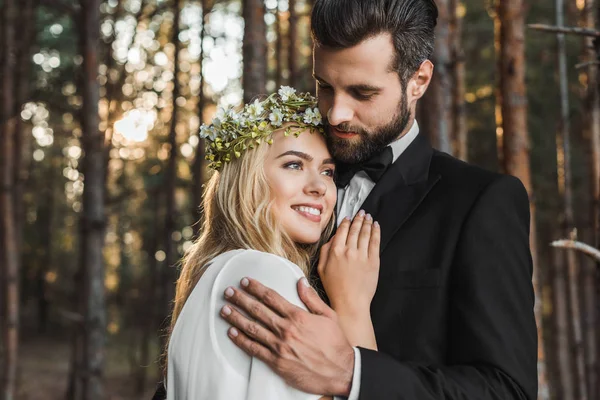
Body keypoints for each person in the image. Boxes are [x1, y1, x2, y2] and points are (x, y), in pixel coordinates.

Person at [219, 0, 538, 399]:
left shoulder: (479, 202)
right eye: (324, 87)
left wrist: (353, 375)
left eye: (362, 92)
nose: (336, 113)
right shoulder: (279, 178)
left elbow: (507, 391)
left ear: (418, 80)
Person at [163, 88, 381, 400]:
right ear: (248, 179)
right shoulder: (266, 275)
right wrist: (354, 307)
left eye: (328, 171)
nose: (320, 186)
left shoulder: (218, 270)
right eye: (294, 164)